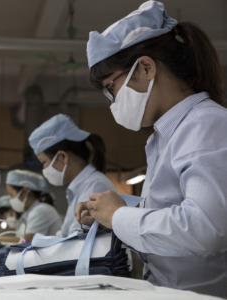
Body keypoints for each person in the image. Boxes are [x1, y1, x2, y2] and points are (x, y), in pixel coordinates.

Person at [76, 1, 227, 297]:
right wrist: (110, 214)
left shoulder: (207, 124)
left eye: (111, 88)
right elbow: (173, 210)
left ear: (145, 68)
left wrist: (119, 217)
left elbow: (205, 226)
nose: (112, 102)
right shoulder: (165, 135)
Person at [28, 114, 115, 237]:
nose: (44, 168)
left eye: (44, 162)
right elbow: (65, 235)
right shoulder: (80, 188)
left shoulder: (95, 186)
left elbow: (77, 240)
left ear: (62, 157)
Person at [6, 169, 62, 241]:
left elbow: (26, 241)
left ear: (25, 192)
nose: (11, 199)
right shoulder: (27, 214)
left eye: (11, 194)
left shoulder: (41, 210)